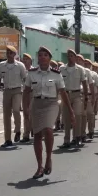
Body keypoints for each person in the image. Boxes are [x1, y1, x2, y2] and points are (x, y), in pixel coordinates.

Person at [23, 46, 75, 179]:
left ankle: (48, 158)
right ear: (38, 58)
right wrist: (26, 109)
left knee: (48, 130)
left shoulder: (56, 74)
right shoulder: (32, 73)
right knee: (37, 135)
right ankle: (39, 166)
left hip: (51, 104)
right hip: (36, 104)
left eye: (45, 55)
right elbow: (26, 92)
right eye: (40, 55)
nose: (42, 57)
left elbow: (63, 93)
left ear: (50, 58)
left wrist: (70, 111)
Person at [0, 45, 27, 147]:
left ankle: (17, 130)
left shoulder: (20, 66)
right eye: (7, 52)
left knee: (16, 110)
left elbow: (25, 80)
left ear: (14, 54)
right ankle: (7, 139)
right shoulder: (2, 65)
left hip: (17, 90)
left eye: (11, 52)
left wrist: (26, 92)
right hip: (7, 91)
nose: (8, 54)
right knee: (6, 116)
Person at [58, 50, 88, 148]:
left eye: (72, 56)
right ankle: (66, 140)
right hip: (66, 95)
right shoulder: (62, 68)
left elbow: (84, 83)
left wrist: (86, 97)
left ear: (75, 57)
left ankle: (76, 137)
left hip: (77, 94)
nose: (70, 57)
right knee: (66, 117)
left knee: (77, 115)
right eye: (68, 56)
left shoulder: (80, 69)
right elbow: (58, 82)